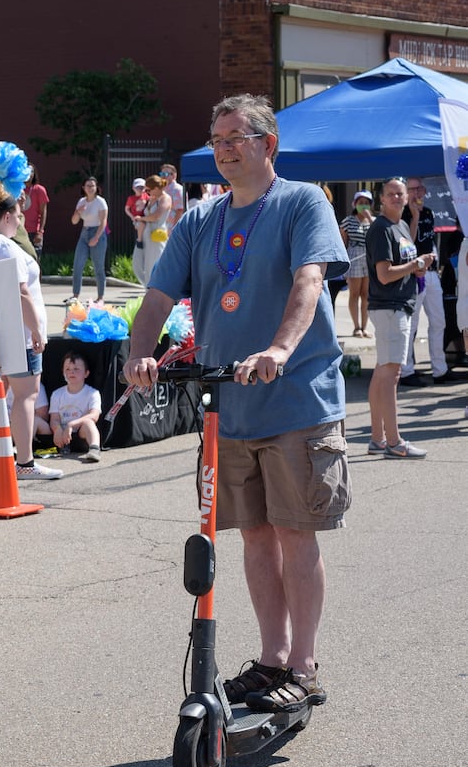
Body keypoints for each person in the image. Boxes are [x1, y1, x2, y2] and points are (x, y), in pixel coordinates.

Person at [125, 93, 349, 715]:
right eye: (216, 139)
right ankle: (272, 657)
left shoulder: (303, 203)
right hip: (230, 406)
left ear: (266, 145)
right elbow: (157, 298)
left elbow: (308, 283)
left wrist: (279, 347)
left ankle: (303, 666)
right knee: (253, 536)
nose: (222, 149)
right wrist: (141, 352)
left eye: (235, 138)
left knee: (295, 532)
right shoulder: (201, 220)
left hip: (297, 399)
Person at [0, 183, 62, 480]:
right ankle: (25, 462)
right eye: (17, 216)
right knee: (26, 395)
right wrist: (36, 331)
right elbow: (21, 292)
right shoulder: (5, 246)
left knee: (1, 392)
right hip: (17, 331)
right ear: (5, 216)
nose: (20, 222)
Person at [365, 178, 431, 458]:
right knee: (391, 374)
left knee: (384, 371)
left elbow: (402, 265)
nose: (396, 197)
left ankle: (379, 438)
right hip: (390, 306)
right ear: (381, 198)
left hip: (396, 305)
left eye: (400, 193)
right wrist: (414, 266)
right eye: (390, 193)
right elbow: (384, 274)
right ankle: (394, 441)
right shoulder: (381, 229)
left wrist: (417, 268)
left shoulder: (401, 225)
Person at [400, 177, 447, 385]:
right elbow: (408, 243)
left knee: (439, 320)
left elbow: (430, 240)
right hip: (414, 271)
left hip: (431, 270)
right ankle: (406, 370)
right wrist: (415, 217)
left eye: (420, 189)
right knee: (412, 323)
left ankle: (440, 369)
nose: (417, 193)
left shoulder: (429, 212)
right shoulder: (403, 214)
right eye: (413, 189)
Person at [48, 350, 102, 462]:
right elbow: (54, 419)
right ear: (63, 373)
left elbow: (94, 415)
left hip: (81, 434)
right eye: (67, 369)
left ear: (86, 373)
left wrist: (72, 424)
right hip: (63, 437)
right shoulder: (57, 394)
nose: (71, 372)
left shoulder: (92, 393)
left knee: (89, 423)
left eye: (76, 369)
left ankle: (94, 449)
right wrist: (57, 430)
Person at [339, 190, 373, 338]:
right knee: (354, 293)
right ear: (355, 204)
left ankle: (364, 327)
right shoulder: (348, 221)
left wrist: (369, 218)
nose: (363, 206)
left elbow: (380, 234)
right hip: (354, 255)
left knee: (366, 294)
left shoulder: (374, 220)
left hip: (369, 257)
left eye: (366, 203)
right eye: (360, 203)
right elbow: (342, 241)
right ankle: (356, 327)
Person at [70, 176, 109, 303]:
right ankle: (75, 295)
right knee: (77, 265)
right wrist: (77, 212)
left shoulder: (100, 202)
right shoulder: (81, 202)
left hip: (97, 231)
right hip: (84, 232)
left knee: (98, 267)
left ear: (97, 187)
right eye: (88, 186)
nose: (90, 188)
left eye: (93, 186)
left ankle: (100, 297)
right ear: (84, 188)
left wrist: (96, 237)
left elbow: (103, 221)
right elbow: (74, 221)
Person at [133, 173, 171, 286]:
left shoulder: (165, 198)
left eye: (149, 189)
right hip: (145, 234)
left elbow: (156, 216)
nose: (147, 192)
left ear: (156, 188)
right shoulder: (151, 199)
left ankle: (156, 289)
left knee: (155, 263)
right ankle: (148, 287)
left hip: (157, 234)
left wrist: (141, 218)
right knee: (139, 263)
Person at [22, 165, 50, 257]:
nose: (29, 174)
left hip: (34, 232)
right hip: (19, 231)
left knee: (35, 263)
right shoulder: (16, 189)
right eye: (27, 170)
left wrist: (40, 232)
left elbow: (43, 212)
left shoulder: (39, 190)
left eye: (32, 171)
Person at [124, 177, 149, 283]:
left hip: (145, 217)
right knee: (140, 225)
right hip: (137, 219)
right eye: (138, 187)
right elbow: (127, 209)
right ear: (134, 188)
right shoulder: (131, 198)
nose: (140, 189)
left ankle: (141, 240)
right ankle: (139, 240)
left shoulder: (146, 197)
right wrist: (132, 217)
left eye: (142, 187)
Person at [160, 162, 186, 229]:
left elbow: (180, 210)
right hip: (164, 227)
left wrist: (174, 228)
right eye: (162, 174)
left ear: (174, 176)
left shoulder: (177, 190)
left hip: (173, 228)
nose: (163, 176)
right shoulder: (163, 189)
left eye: (165, 174)